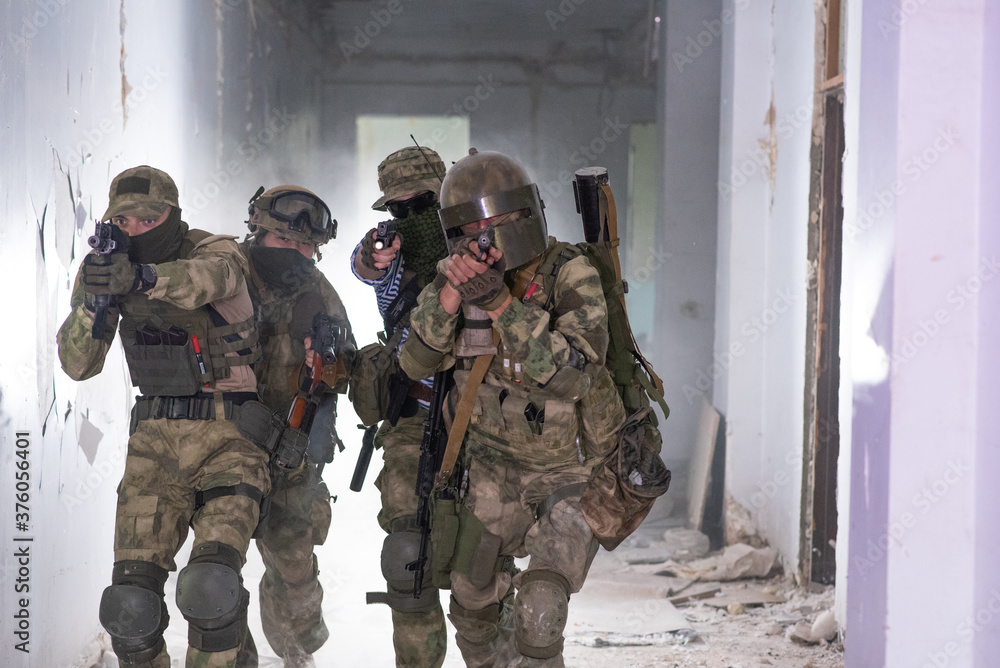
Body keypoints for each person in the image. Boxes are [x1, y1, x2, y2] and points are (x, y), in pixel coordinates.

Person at [398, 149, 626, 667]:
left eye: (497, 222)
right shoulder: (452, 275)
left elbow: (574, 376)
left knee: (539, 609)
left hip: (567, 470)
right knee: (472, 611)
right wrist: (452, 294)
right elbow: (415, 362)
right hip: (488, 468)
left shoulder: (571, 274)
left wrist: (502, 304)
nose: (484, 237)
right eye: (470, 227)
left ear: (526, 214)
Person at [57, 165, 270, 668]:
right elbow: (77, 364)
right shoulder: (107, 267)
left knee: (210, 588)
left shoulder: (214, 251)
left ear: (172, 214)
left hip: (230, 439)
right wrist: (96, 301)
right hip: (153, 443)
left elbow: (207, 281)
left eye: (147, 220)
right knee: (129, 609)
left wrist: (142, 277)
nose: (134, 229)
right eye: (123, 221)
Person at [239, 185, 352, 667]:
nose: (297, 253)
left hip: (292, 446)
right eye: (285, 241)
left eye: (307, 245)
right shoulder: (227, 272)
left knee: (294, 568)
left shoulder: (319, 292)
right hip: (224, 443)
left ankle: (297, 653)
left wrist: (326, 366)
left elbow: (346, 366)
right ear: (259, 232)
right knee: (215, 572)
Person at [350, 145, 451, 667]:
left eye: (423, 203)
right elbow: (365, 264)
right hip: (414, 420)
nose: (410, 215)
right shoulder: (394, 260)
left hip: (487, 423)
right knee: (408, 557)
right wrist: (375, 253)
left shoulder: (481, 241)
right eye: (398, 207)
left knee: (486, 569)